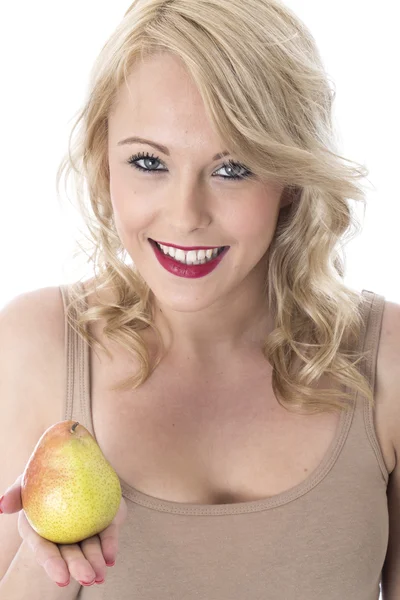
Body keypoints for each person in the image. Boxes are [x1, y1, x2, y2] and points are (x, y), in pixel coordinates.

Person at [0, 0, 399, 598]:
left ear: (290, 180)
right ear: (104, 164)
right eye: (147, 161)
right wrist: (49, 564)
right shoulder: (36, 346)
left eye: (233, 168)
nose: (186, 216)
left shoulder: (386, 358)